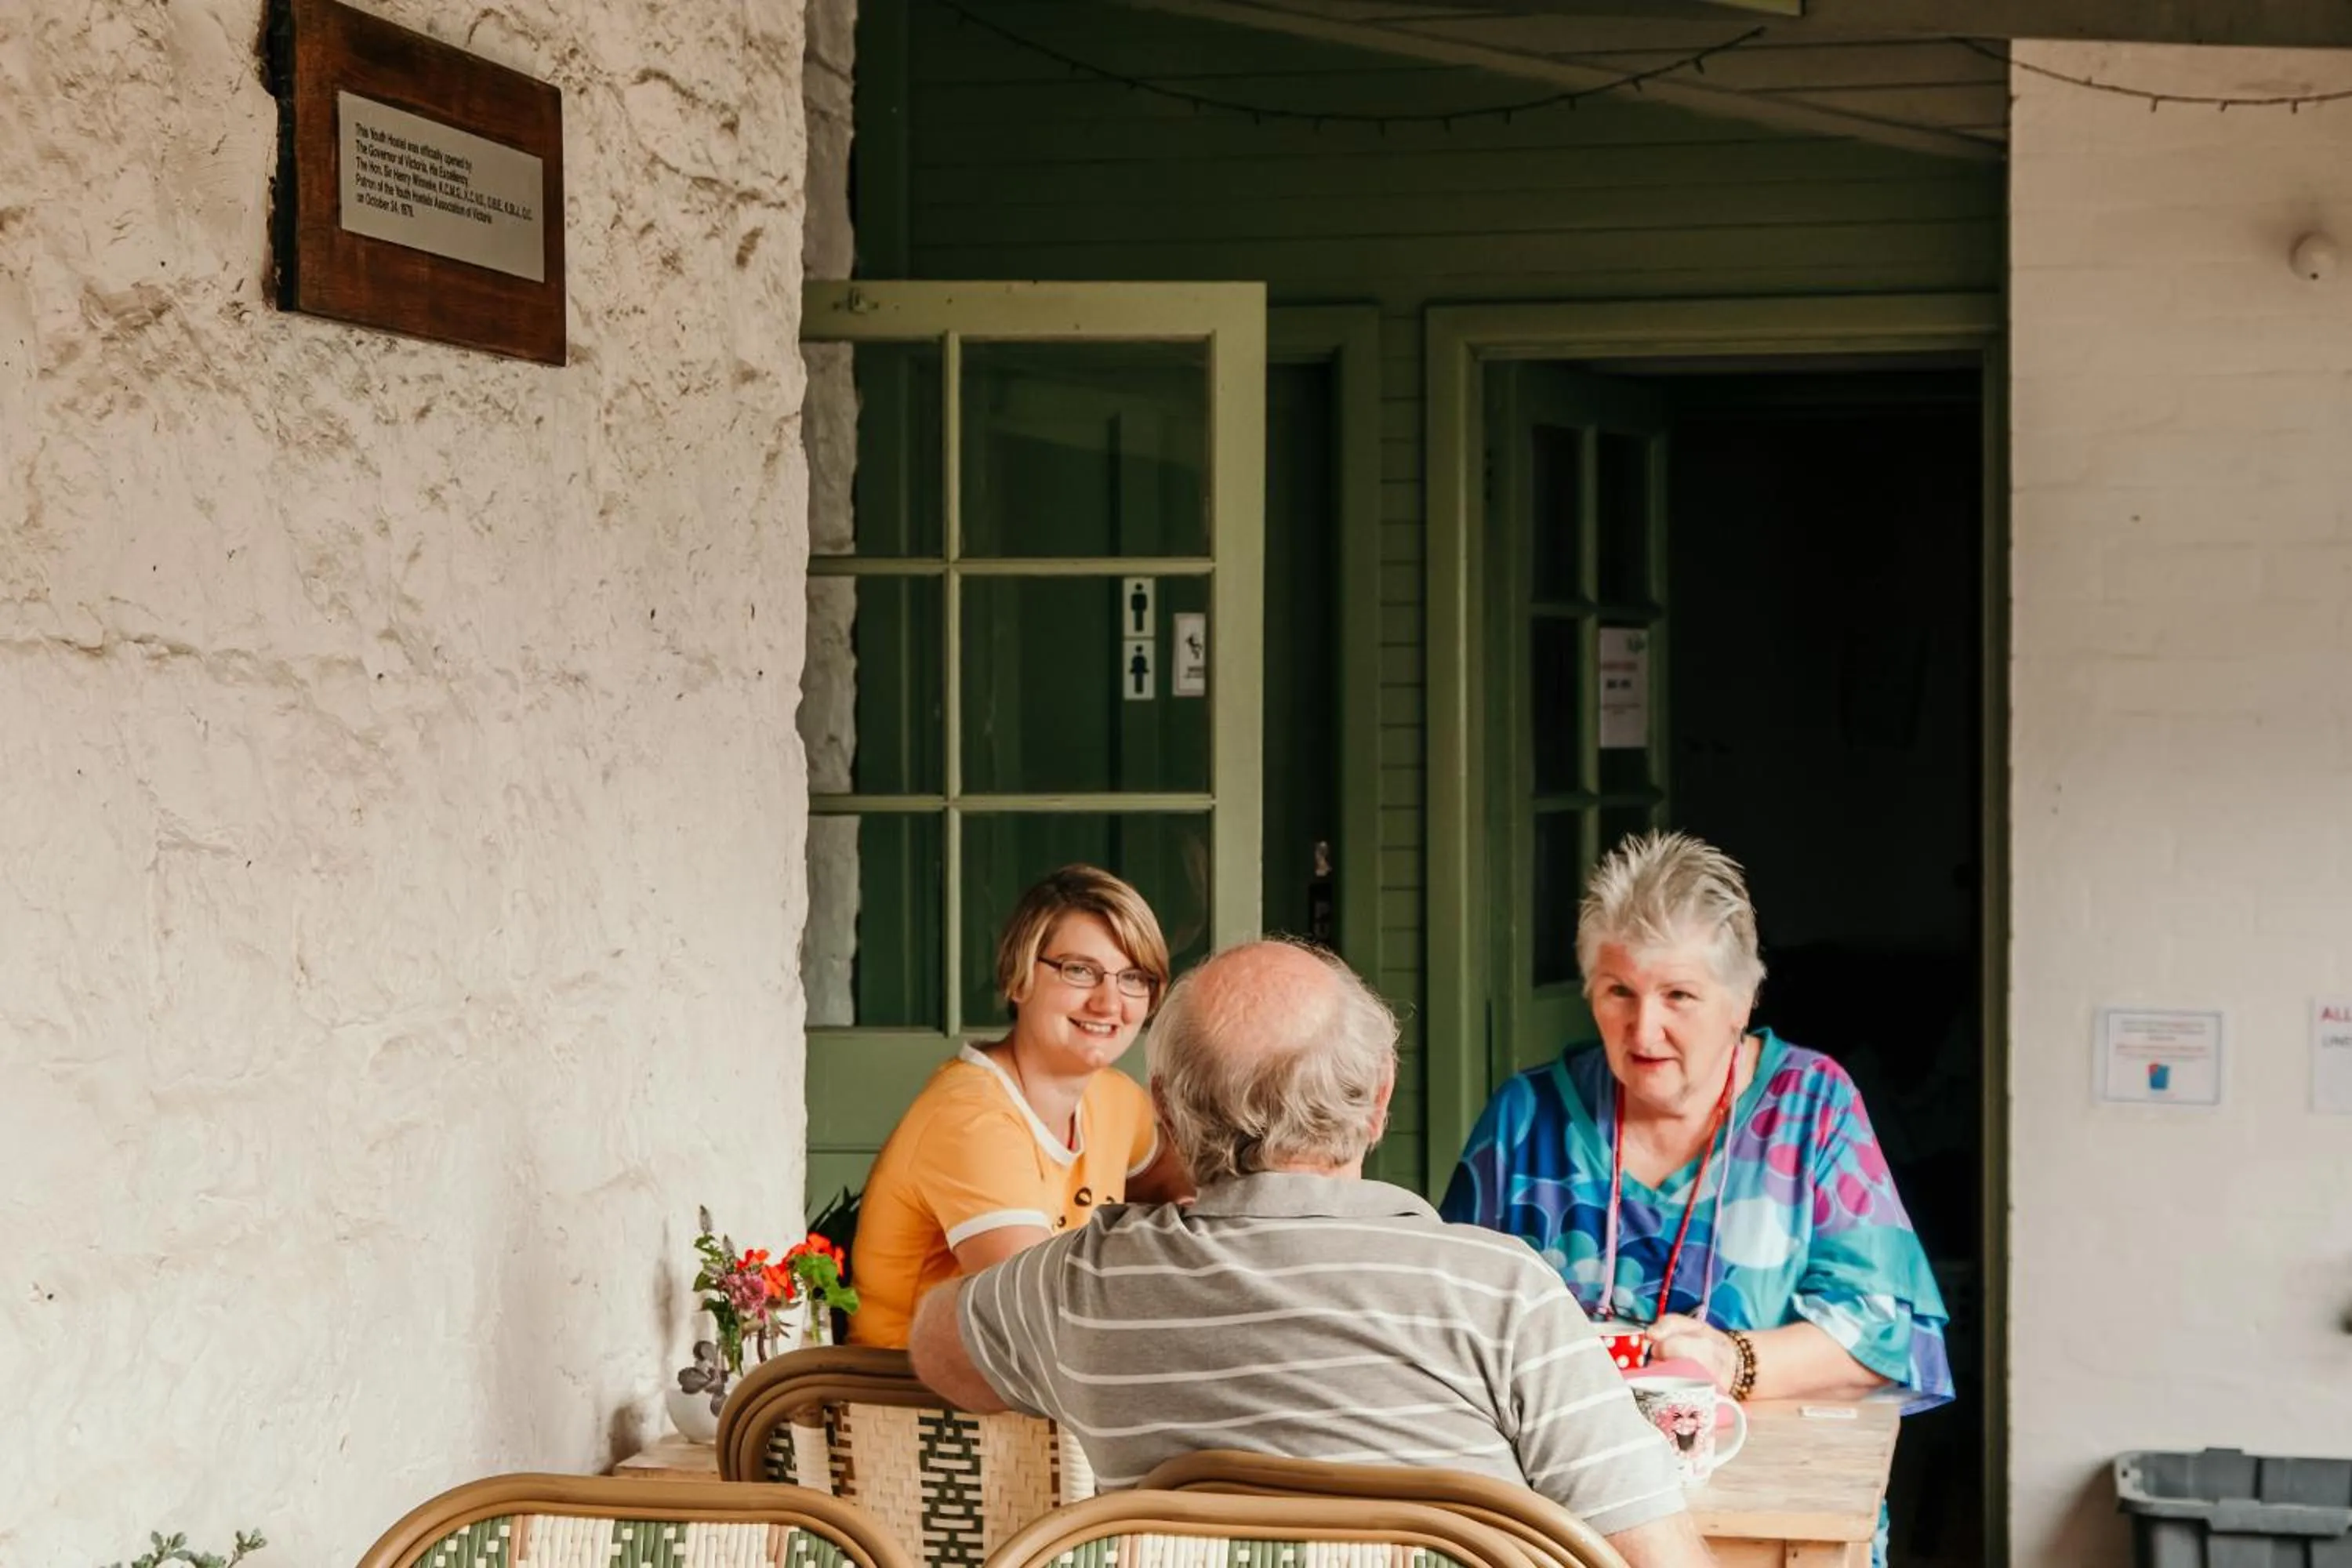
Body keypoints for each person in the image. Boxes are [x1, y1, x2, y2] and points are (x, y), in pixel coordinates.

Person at [909, 940, 1715, 1568]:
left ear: (1169, 1111)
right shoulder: (1503, 1292)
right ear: (1381, 1095)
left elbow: (934, 1344)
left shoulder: (1082, 1279)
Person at [1441, 829, 1953, 1414]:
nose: (1644, 1028)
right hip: (1564, 1491)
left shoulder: (1811, 1106)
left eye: (1678, 995)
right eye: (1619, 992)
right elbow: (1447, 1323)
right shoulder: (1525, 1118)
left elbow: (1878, 1338)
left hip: (1771, 1482)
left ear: (1741, 1002)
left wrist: (1733, 1362)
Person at [848, 865, 1192, 1347]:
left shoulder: (1112, 1098)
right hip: (912, 1401)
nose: (1110, 1002)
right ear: (1018, 977)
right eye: (1079, 970)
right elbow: (1040, 1320)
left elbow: (1177, 1185)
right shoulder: (972, 1119)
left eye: (1133, 976)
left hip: (1039, 1396)